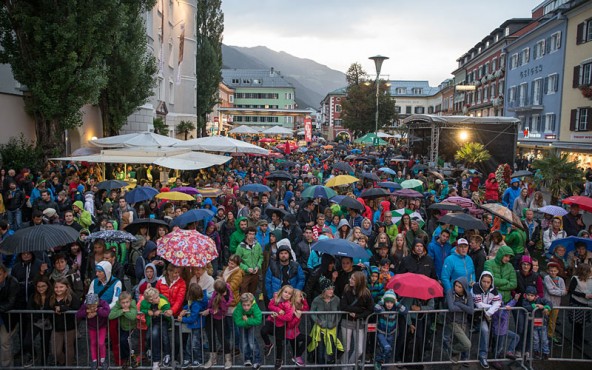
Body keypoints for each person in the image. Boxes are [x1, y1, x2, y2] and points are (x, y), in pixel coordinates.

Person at [339, 271, 374, 370]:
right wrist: (360, 309)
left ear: (359, 281)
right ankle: (344, 367)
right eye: (351, 278)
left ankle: (349, 365)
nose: (350, 280)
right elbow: (343, 306)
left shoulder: (366, 292)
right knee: (346, 348)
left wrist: (358, 315)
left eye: (353, 279)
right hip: (346, 322)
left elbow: (371, 309)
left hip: (360, 323)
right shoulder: (346, 289)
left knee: (359, 350)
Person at [471, 271, 502, 369]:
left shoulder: (494, 289)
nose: (486, 284)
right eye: (484, 281)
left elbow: (498, 303)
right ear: (480, 280)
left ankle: (495, 353)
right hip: (476, 315)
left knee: (496, 332)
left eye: (488, 282)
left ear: (491, 282)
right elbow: (479, 304)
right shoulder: (476, 287)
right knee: (485, 330)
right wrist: (492, 306)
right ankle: (483, 356)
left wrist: (488, 312)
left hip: (488, 314)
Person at [261, 284, 295, 370]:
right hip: (271, 321)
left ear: (291, 295)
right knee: (263, 331)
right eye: (285, 292)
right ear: (282, 291)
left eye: (289, 293)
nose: (287, 294)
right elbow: (269, 306)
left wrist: (278, 316)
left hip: (280, 325)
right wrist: (278, 310)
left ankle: (279, 359)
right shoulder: (276, 298)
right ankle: (268, 344)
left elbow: (288, 317)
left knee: (279, 343)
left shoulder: (289, 305)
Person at [49, 277, 81, 367]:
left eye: (61, 287)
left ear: (67, 287)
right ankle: (62, 362)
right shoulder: (52, 297)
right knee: (55, 351)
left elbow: (77, 308)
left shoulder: (72, 297)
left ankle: (69, 365)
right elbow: (48, 307)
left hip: (69, 327)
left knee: (69, 347)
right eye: (56, 287)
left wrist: (63, 308)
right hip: (57, 327)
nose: (58, 289)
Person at [202, 279, 234, 369]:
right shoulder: (220, 289)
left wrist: (210, 310)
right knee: (210, 336)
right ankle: (212, 358)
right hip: (210, 316)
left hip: (219, 318)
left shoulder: (226, 298)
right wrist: (210, 309)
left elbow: (222, 310)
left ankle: (228, 359)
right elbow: (212, 301)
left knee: (222, 338)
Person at [374, 290, 407, 370]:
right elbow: (375, 309)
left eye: (391, 302)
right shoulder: (382, 308)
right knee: (387, 348)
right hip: (381, 333)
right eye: (387, 302)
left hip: (391, 334)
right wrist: (382, 301)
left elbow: (405, 311)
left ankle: (383, 367)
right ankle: (377, 360)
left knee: (388, 353)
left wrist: (397, 303)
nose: (389, 304)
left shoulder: (396, 308)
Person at [444, 277, 474, 365]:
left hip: (463, 322)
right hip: (452, 321)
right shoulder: (450, 292)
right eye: (456, 285)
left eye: (459, 287)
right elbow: (451, 308)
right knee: (467, 344)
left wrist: (459, 304)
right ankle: (451, 349)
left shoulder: (468, 295)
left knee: (458, 343)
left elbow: (471, 310)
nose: (456, 288)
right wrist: (465, 307)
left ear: (464, 288)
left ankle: (453, 354)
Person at [140, 287, 172, 370]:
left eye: (158, 296)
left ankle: (167, 355)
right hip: (153, 322)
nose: (159, 298)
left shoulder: (162, 299)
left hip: (163, 321)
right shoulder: (145, 302)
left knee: (165, 338)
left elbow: (167, 307)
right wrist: (147, 311)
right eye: (156, 298)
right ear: (150, 300)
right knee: (150, 336)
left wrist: (161, 311)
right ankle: (154, 356)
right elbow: (142, 308)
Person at [177, 283, 209, 368]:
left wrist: (182, 319)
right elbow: (189, 305)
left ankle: (198, 359)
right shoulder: (196, 301)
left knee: (195, 344)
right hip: (194, 326)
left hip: (196, 326)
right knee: (189, 343)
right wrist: (184, 309)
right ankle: (188, 358)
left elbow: (193, 318)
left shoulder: (196, 305)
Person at [76, 293, 110, 370]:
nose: (92, 308)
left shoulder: (103, 303)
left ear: (97, 303)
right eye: (90, 306)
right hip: (92, 327)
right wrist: (86, 312)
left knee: (101, 343)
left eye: (94, 306)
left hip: (102, 326)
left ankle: (103, 360)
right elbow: (78, 314)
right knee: (93, 343)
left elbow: (107, 312)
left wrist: (97, 311)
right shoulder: (86, 306)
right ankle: (94, 360)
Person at [519, 286, 552, 360]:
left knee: (544, 339)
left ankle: (545, 352)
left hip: (542, 323)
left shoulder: (540, 299)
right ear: (525, 295)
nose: (530, 297)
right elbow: (526, 307)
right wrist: (535, 305)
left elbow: (549, 302)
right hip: (533, 325)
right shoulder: (525, 301)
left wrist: (546, 307)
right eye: (528, 295)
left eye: (532, 295)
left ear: (535, 296)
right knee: (535, 339)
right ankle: (536, 352)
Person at [233, 292, 263, 369]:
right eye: (244, 305)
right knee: (244, 343)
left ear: (251, 303)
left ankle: (257, 360)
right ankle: (247, 359)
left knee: (251, 342)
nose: (246, 307)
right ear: (241, 303)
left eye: (248, 305)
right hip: (245, 325)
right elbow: (237, 321)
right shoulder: (239, 307)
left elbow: (259, 320)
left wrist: (247, 320)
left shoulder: (254, 306)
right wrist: (250, 320)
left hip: (249, 325)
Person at [567, 263, 592, 346]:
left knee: (582, 323)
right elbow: (571, 291)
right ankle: (576, 340)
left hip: (586, 304)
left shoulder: (590, 279)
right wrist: (584, 295)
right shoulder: (575, 279)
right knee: (576, 323)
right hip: (577, 304)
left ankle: (580, 338)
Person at [543, 262, 567, 346]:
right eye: (551, 271)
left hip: (556, 303)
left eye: (554, 271)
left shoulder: (561, 280)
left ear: (557, 271)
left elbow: (564, 292)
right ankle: (543, 335)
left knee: (552, 321)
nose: (552, 272)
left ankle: (551, 335)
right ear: (548, 271)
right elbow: (550, 290)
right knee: (544, 319)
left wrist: (556, 289)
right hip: (547, 302)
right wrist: (559, 290)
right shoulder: (546, 278)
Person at [0, 263, 19, 367]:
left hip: (7, 318)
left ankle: (7, 366)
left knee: (5, 343)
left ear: (5, 274)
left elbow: (11, 303)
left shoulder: (13, 283)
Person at [286, 289, 309, 367]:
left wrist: (304, 300)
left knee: (296, 353)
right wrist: (298, 317)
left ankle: (296, 357)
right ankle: (296, 357)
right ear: (294, 297)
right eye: (300, 296)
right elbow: (290, 325)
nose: (301, 298)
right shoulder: (290, 307)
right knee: (308, 339)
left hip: (295, 331)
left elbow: (306, 309)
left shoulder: (298, 305)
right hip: (290, 333)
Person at [237, 226, 263, 295]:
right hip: (245, 274)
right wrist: (246, 268)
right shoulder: (240, 247)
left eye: (253, 234)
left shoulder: (257, 245)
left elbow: (261, 257)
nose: (252, 236)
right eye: (250, 234)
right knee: (244, 293)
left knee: (252, 293)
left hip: (255, 273)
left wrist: (258, 266)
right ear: (246, 234)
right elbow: (237, 261)